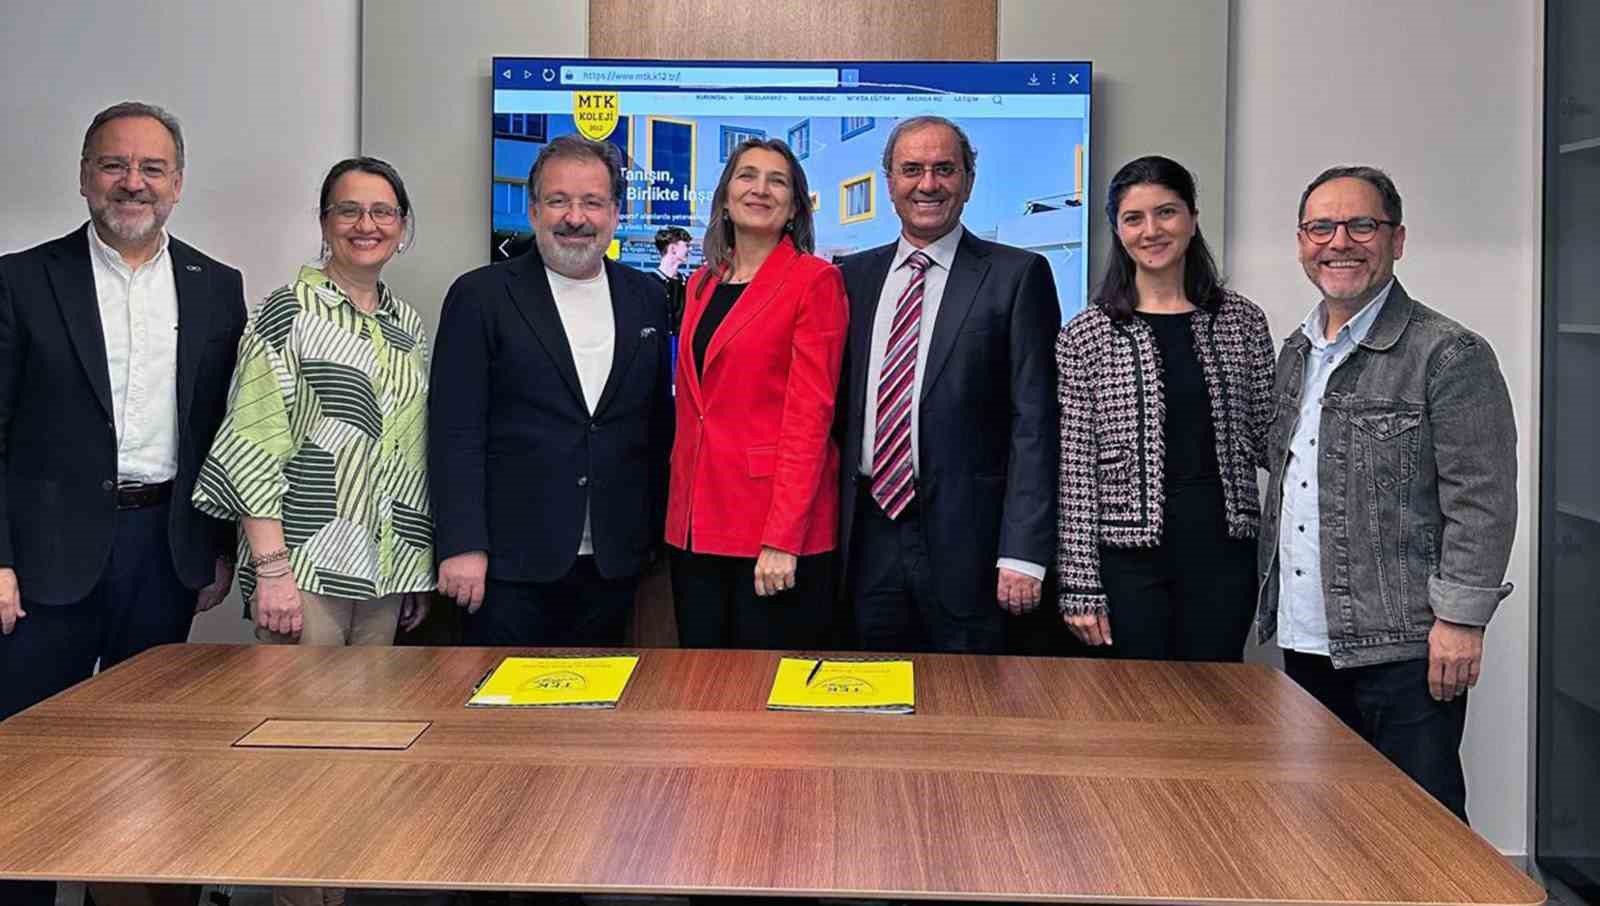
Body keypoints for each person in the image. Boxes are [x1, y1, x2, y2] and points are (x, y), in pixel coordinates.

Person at [0, 100, 246, 906]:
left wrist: (217, 547)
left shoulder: (217, 286)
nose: (132, 182)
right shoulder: (21, 280)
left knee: (151, 756)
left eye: (151, 168)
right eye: (114, 164)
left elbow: (220, 427)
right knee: (27, 762)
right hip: (44, 560)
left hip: (162, 551)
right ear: (84, 176)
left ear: (178, 182)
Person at [1257, 165, 1517, 822]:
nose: (1339, 242)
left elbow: (1482, 499)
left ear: (1396, 239)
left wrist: (1461, 621)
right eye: (1321, 227)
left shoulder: (1448, 353)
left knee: (1420, 834)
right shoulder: (1297, 352)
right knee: (1320, 827)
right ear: (1302, 243)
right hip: (1306, 638)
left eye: (1361, 225)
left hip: (1404, 648)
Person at [430, 134, 673, 648]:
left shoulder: (647, 296)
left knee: (600, 698)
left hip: (614, 562)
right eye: (559, 200)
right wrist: (462, 544)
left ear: (615, 213)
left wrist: (653, 539)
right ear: (534, 209)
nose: (575, 217)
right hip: (505, 566)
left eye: (592, 202)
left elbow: (656, 425)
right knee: (499, 699)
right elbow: (455, 432)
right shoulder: (480, 296)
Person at [836, 115, 1059, 654]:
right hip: (867, 539)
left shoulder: (1016, 275)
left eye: (944, 169)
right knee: (868, 691)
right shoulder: (850, 279)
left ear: (969, 180)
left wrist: (1023, 551)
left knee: (970, 697)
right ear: (890, 181)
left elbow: (1035, 422)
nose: (928, 184)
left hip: (972, 548)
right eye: (912, 169)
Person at [1055, 156, 1275, 661]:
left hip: (1224, 552)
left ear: (1192, 219)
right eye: (1134, 218)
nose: (1151, 231)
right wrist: (1080, 583)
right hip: (1126, 561)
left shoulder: (1242, 321)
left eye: (1167, 212)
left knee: (1216, 694)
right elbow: (1075, 471)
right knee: (1133, 700)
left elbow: (1273, 441)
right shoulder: (1086, 334)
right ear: (1118, 230)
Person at [665, 137, 847, 649]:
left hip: (772, 534)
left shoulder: (816, 281)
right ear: (725, 197)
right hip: (695, 527)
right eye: (747, 176)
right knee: (700, 684)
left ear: (795, 207)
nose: (760, 189)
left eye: (777, 181)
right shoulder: (702, 284)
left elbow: (810, 419)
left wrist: (782, 539)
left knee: (765, 693)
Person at [651, 225, 692, 335]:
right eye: (686, 245)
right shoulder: (649, 283)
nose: (690, 249)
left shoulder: (688, 282)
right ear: (673, 249)